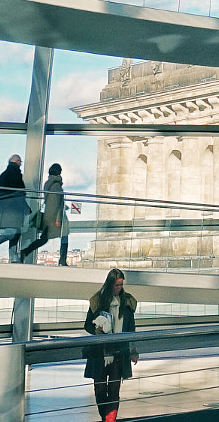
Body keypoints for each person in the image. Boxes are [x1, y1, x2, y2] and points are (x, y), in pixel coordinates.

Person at [84, 269, 138, 422]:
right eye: (116, 285)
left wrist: (134, 350)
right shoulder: (98, 301)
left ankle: (109, 420)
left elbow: (131, 329)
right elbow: (87, 325)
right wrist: (97, 330)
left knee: (114, 389)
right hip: (100, 352)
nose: (119, 288)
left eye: (121, 285)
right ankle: (105, 418)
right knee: (100, 389)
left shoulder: (127, 303)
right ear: (109, 284)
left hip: (119, 352)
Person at [27, 161, 71, 263]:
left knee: (44, 238)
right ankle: (62, 260)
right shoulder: (56, 185)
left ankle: (25, 251)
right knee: (63, 235)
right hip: (55, 217)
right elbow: (58, 203)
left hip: (48, 214)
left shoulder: (48, 183)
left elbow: (51, 200)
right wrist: (58, 219)